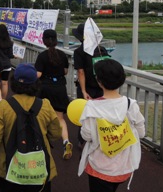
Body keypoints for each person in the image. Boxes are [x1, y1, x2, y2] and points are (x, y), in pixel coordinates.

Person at [0, 63, 62, 191]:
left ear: (14, 83)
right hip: (39, 168)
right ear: (35, 83)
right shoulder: (45, 105)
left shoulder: (4, 107)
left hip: (8, 167)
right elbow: (56, 133)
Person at [78, 59, 145, 192]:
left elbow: (86, 136)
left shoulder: (92, 107)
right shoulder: (130, 104)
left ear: (99, 81)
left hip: (100, 167)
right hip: (124, 166)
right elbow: (141, 133)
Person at [35, 29, 73, 160]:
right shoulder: (62, 55)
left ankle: (43, 144)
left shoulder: (42, 56)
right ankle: (66, 141)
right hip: (60, 89)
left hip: (45, 89)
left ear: (44, 40)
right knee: (60, 119)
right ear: (56, 40)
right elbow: (65, 71)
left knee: (42, 117)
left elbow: (38, 74)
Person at [72, 22, 109, 147]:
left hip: (87, 88)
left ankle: (82, 140)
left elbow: (81, 72)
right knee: (100, 115)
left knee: (84, 114)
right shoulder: (101, 49)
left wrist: (83, 91)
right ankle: (99, 138)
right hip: (101, 88)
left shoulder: (79, 52)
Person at [0, 24, 15, 101]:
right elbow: (10, 55)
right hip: (7, 65)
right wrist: (14, 56)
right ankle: (3, 100)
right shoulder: (9, 42)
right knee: (5, 83)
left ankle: (0, 99)